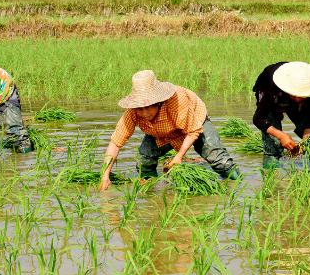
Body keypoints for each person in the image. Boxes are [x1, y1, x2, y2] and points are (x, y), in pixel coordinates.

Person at [99, 70, 239, 191]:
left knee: (218, 159)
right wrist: (105, 176)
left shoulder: (177, 101)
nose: (144, 112)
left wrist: (179, 156)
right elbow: (115, 143)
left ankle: (239, 184)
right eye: (140, 108)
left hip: (195, 122)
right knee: (144, 159)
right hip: (161, 132)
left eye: (148, 106)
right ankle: (151, 190)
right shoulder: (133, 112)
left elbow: (193, 131)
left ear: (158, 102)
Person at [252, 61, 310, 168]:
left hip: (294, 98)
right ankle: (272, 176)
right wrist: (281, 136)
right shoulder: (272, 86)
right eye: (295, 95)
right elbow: (258, 118)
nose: (298, 99)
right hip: (273, 96)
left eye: (302, 96)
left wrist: (306, 141)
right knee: (273, 145)